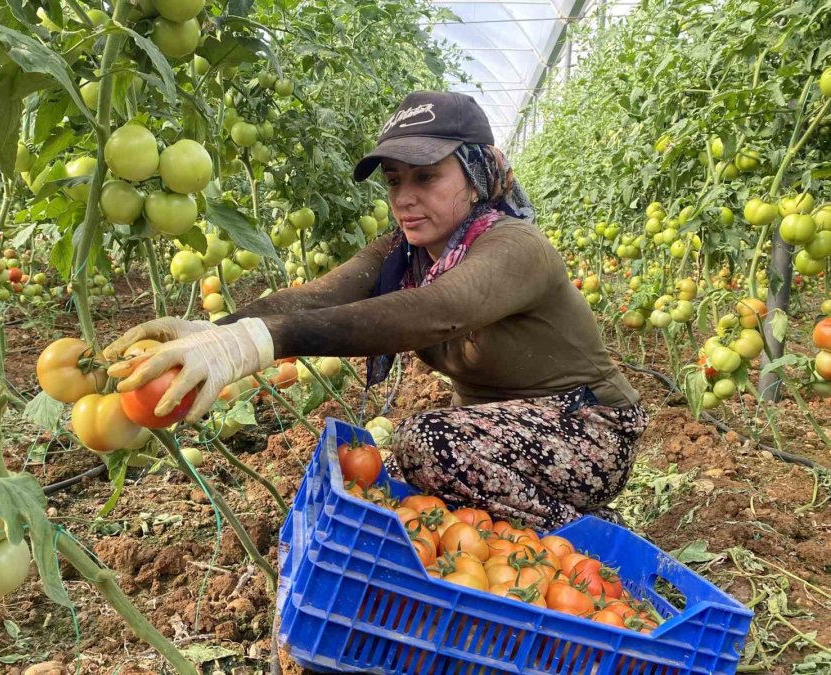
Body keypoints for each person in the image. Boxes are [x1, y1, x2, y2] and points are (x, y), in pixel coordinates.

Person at [106, 91, 648, 530]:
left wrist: (255, 344)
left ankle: (589, 538)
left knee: (426, 445)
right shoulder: (403, 253)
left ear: (477, 173)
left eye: (426, 177)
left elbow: (436, 310)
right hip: (509, 434)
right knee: (425, 483)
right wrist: (216, 331)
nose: (404, 197)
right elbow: (320, 295)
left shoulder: (514, 248)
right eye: (394, 181)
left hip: (588, 428)